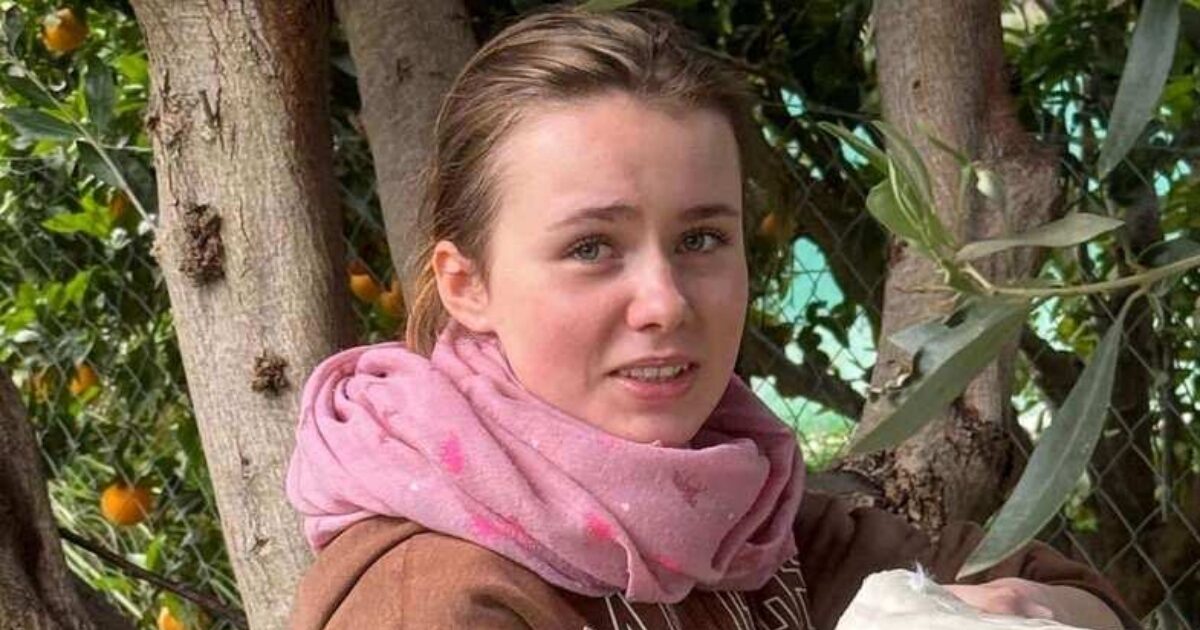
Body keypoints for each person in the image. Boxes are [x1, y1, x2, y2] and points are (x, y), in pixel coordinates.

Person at [285, 6, 1137, 629]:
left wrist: (1017, 613)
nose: (665, 303)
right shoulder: (434, 600)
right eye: (591, 247)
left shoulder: (733, 510)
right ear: (467, 284)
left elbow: (1069, 592)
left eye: (700, 238)